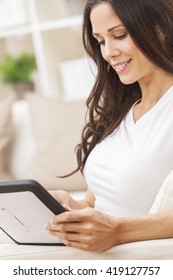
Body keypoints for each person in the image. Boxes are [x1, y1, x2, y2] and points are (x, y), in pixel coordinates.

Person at [46, 0, 173, 252]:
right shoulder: (121, 110)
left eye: (119, 35)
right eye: (101, 41)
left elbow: (112, 224)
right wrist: (70, 206)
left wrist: (118, 231)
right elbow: (98, 205)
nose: (108, 53)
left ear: (160, 28)